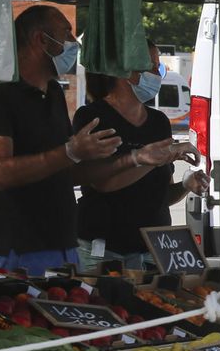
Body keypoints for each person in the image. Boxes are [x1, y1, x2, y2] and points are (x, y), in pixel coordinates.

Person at [0, 6, 122, 274]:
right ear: (41, 40)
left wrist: (137, 158)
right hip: (19, 251)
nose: (73, 43)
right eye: (66, 33)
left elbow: (66, 171)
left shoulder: (53, 92)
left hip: (65, 247)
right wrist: (70, 151)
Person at [74, 41, 205, 272]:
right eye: (151, 67)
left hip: (154, 249)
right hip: (103, 249)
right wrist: (146, 158)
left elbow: (161, 196)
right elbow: (102, 183)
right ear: (125, 72)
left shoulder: (158, 122)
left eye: (159, 68)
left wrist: (186, 185)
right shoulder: (93, 117)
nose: (157, 75)